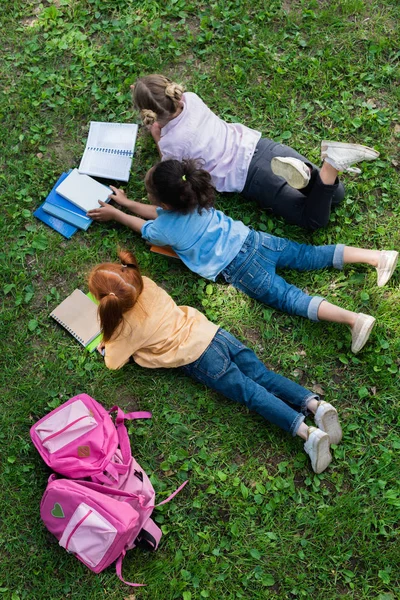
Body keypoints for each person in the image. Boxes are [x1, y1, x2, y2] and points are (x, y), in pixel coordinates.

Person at [88, 159, 398, 355]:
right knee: (311, 255)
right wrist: (126, 202)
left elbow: (145, 225)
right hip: (255, 240)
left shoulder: (163, 232)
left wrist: (117, 213)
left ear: (166, 204)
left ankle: (354, 320)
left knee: (291, 299)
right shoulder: (196, 197)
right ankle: (376, 257)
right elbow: (158, 212)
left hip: (240, 269)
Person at [88, 249, 344, 474]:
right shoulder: (147, 284)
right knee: (262, 376)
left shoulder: (124, 330)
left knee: (250, 393)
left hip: (200, 358)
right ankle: (315, 405)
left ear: (106, 304)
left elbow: (112, 361)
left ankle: (307, 434)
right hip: (215, 333)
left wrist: (107, 340)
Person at [130, 74, 380, 231]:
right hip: (261, 146)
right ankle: (313, 175)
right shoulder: (192, 99)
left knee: (314, 220)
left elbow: (173, 171)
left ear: (148, 116)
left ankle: (331, 164)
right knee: (336, 193)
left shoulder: (171, 144)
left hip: (250, 178)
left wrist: (158, 139)